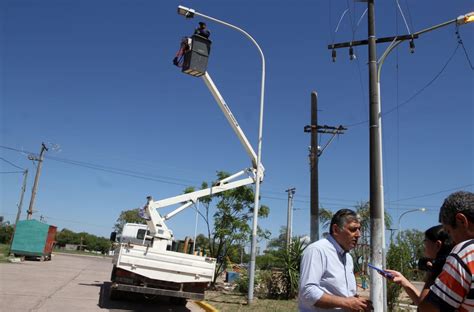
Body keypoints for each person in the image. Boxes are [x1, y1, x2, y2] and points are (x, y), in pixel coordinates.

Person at [298, 209, 373, 311]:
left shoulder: (348, 258)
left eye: (359, 229)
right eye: (352, 229)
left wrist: (357, 301)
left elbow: (342, 293)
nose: (358, 234)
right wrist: (346, 303)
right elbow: (307, 292)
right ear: (336, 230)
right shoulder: (317, 250)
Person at [418, 191, 474, 311]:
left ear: (461, 221)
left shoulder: (466, 253)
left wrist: (435, 270)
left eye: (449, 231)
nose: (452, 241)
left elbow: (428, 309)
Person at [384, 225, 454, 305]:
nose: (424, 246)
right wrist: (402, 280)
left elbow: (424, 307)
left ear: (438, 245)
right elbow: (425, 302)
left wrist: (432, 273)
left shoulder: (444, 272)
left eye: (425, 241)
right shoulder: (449, 267)